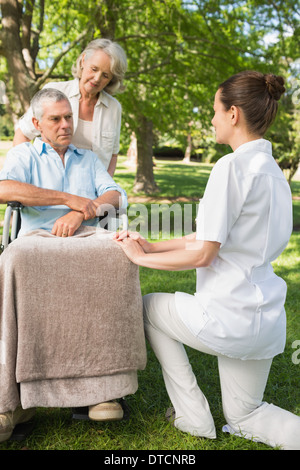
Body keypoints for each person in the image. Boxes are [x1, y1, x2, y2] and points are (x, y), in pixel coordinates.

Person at [114, 71, 300, 450]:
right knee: (247, 414)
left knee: (150, 307)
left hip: (227, 317)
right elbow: (207, 237)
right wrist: (150, 245)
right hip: (264, 322)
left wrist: (138, 259)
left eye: (215, 110)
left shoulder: (229, 167)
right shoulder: (275, 175)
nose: (211, 119)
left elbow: (203, 253)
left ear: (233, 114)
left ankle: (193, 415)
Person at [0, 88, 129, 441]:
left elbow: (115, 195)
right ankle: (10, 401)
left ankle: (104, 388)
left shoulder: (87, 158)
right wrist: (68, 199)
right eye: (56, 119)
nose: (65, 125)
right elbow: (4, 188)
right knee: (17, 258)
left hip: (84, 241)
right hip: (36, 243)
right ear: (37, 123)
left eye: (69, 117)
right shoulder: (24, 154)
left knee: (121, 254)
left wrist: (80, 212)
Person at [13, 38, 127, 176]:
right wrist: (23, 174)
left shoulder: (114, 108)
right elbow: (23, 133)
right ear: (83, 60)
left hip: (93, 191)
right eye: (94, 69)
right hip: (51, 186)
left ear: (111, 79)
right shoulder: (53, 91)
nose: (97, 78)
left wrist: (105, 188)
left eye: (105, 75)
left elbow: (113, 156)